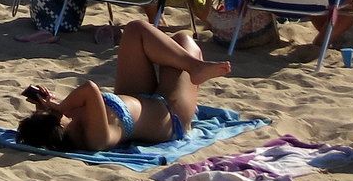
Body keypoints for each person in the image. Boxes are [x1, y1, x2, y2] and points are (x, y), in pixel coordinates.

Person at [17, 18, 229, 151]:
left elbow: (83, 101)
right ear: (56, 129)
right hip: (170, 115)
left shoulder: (75, 123)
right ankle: (195, 67)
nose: (55, 114)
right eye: (49, 118)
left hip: (137, 96)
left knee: (135, 30)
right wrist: (60, 106)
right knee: (184, 40)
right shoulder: (94, 139)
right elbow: (90, 89)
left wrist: (48, 105)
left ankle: (193, 66)